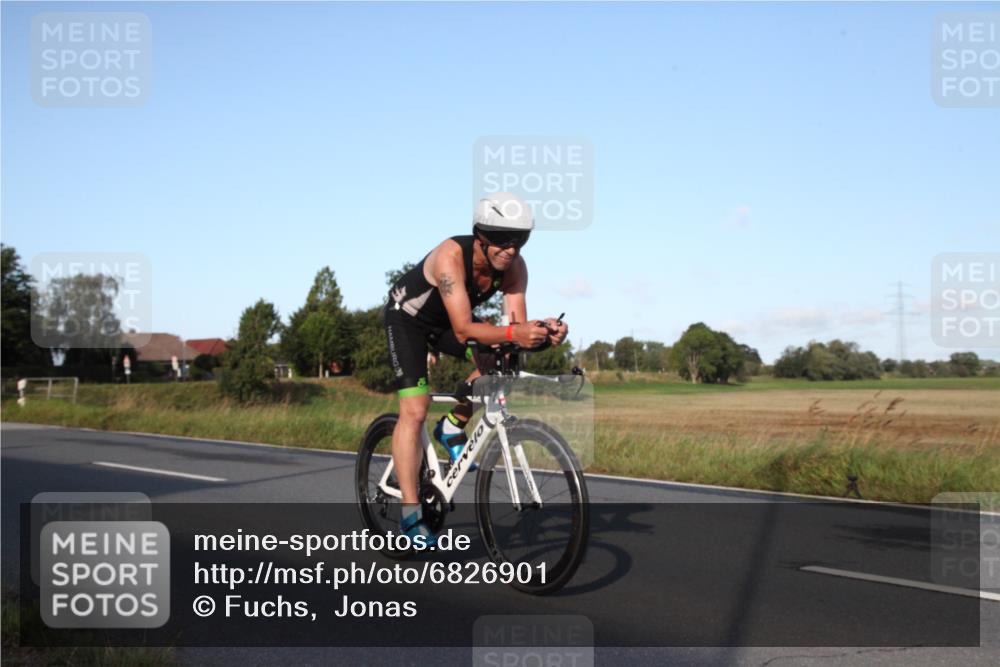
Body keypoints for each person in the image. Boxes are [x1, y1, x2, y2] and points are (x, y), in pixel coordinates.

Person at [383, 192, 569, 545]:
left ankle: (453, 425)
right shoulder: (451, 257)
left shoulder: (515, 267)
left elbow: (513, 329)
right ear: (480, 236)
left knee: (503, 359)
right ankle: (409, 512)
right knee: (415, 409)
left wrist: (542, 332)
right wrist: (516, 332)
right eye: (501, 239)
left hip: (452, 322)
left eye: (520, 240)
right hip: (408, 320)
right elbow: (465, 329)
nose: (511, 249)